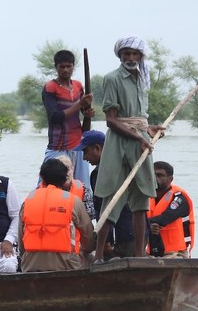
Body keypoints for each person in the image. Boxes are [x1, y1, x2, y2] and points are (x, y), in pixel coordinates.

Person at [91, 36, 165, 264]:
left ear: (141, 56)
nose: (131, 58)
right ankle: (99, 256)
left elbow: (139, 119)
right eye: (126, 54)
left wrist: (150, 130)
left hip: (141, 142)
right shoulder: (112, 78)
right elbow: (111, 120)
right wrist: (138, 136)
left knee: (141, 202)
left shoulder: (142, 79)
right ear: (120, 56)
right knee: (112, 199)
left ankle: (140, 256)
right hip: (120, 144)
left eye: (134, 54)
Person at [17, 158, 94, 272]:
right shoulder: (73, 201)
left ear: (42, 178)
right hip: (66, 265)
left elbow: (21, 240)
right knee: (91, 258)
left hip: (31, 265)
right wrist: (86, 250)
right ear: (64, 180)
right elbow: (89, 237)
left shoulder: (28, 201)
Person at [77, 129, 138, 259]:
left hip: (122, 234)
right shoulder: (125, 163)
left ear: (97, 148)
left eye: (85, 151)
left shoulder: (100, 173)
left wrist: (106, 240)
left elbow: (103, 208)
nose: (84, 158)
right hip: (136, 231)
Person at [42, 49, 94, 189]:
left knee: (83, 188)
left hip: (78, 146)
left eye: (68, 66)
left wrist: (87, 113)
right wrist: (80, 104)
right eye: (62, 67)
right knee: (49, 185)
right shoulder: (50, 88)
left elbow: (85, 119)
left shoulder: (78, 86)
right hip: (57, 147)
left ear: (73, 66)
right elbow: (55, 117)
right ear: (56, 67)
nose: (65, 70)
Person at [147, 161, 195, 258]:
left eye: (160, 175)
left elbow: (165, 218)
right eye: (153, 175)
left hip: (176, 252)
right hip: (152, 251)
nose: (155, 178)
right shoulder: (147, 196)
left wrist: (144, 224)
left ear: (170, 179)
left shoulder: (179, 197)